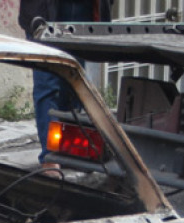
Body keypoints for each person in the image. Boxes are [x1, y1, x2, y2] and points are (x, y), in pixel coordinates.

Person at [19, 0, 113, 169]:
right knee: (48, 84)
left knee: (72, 83)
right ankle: (51, 156)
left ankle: (68, 151)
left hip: (84, 9)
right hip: (44, 9)